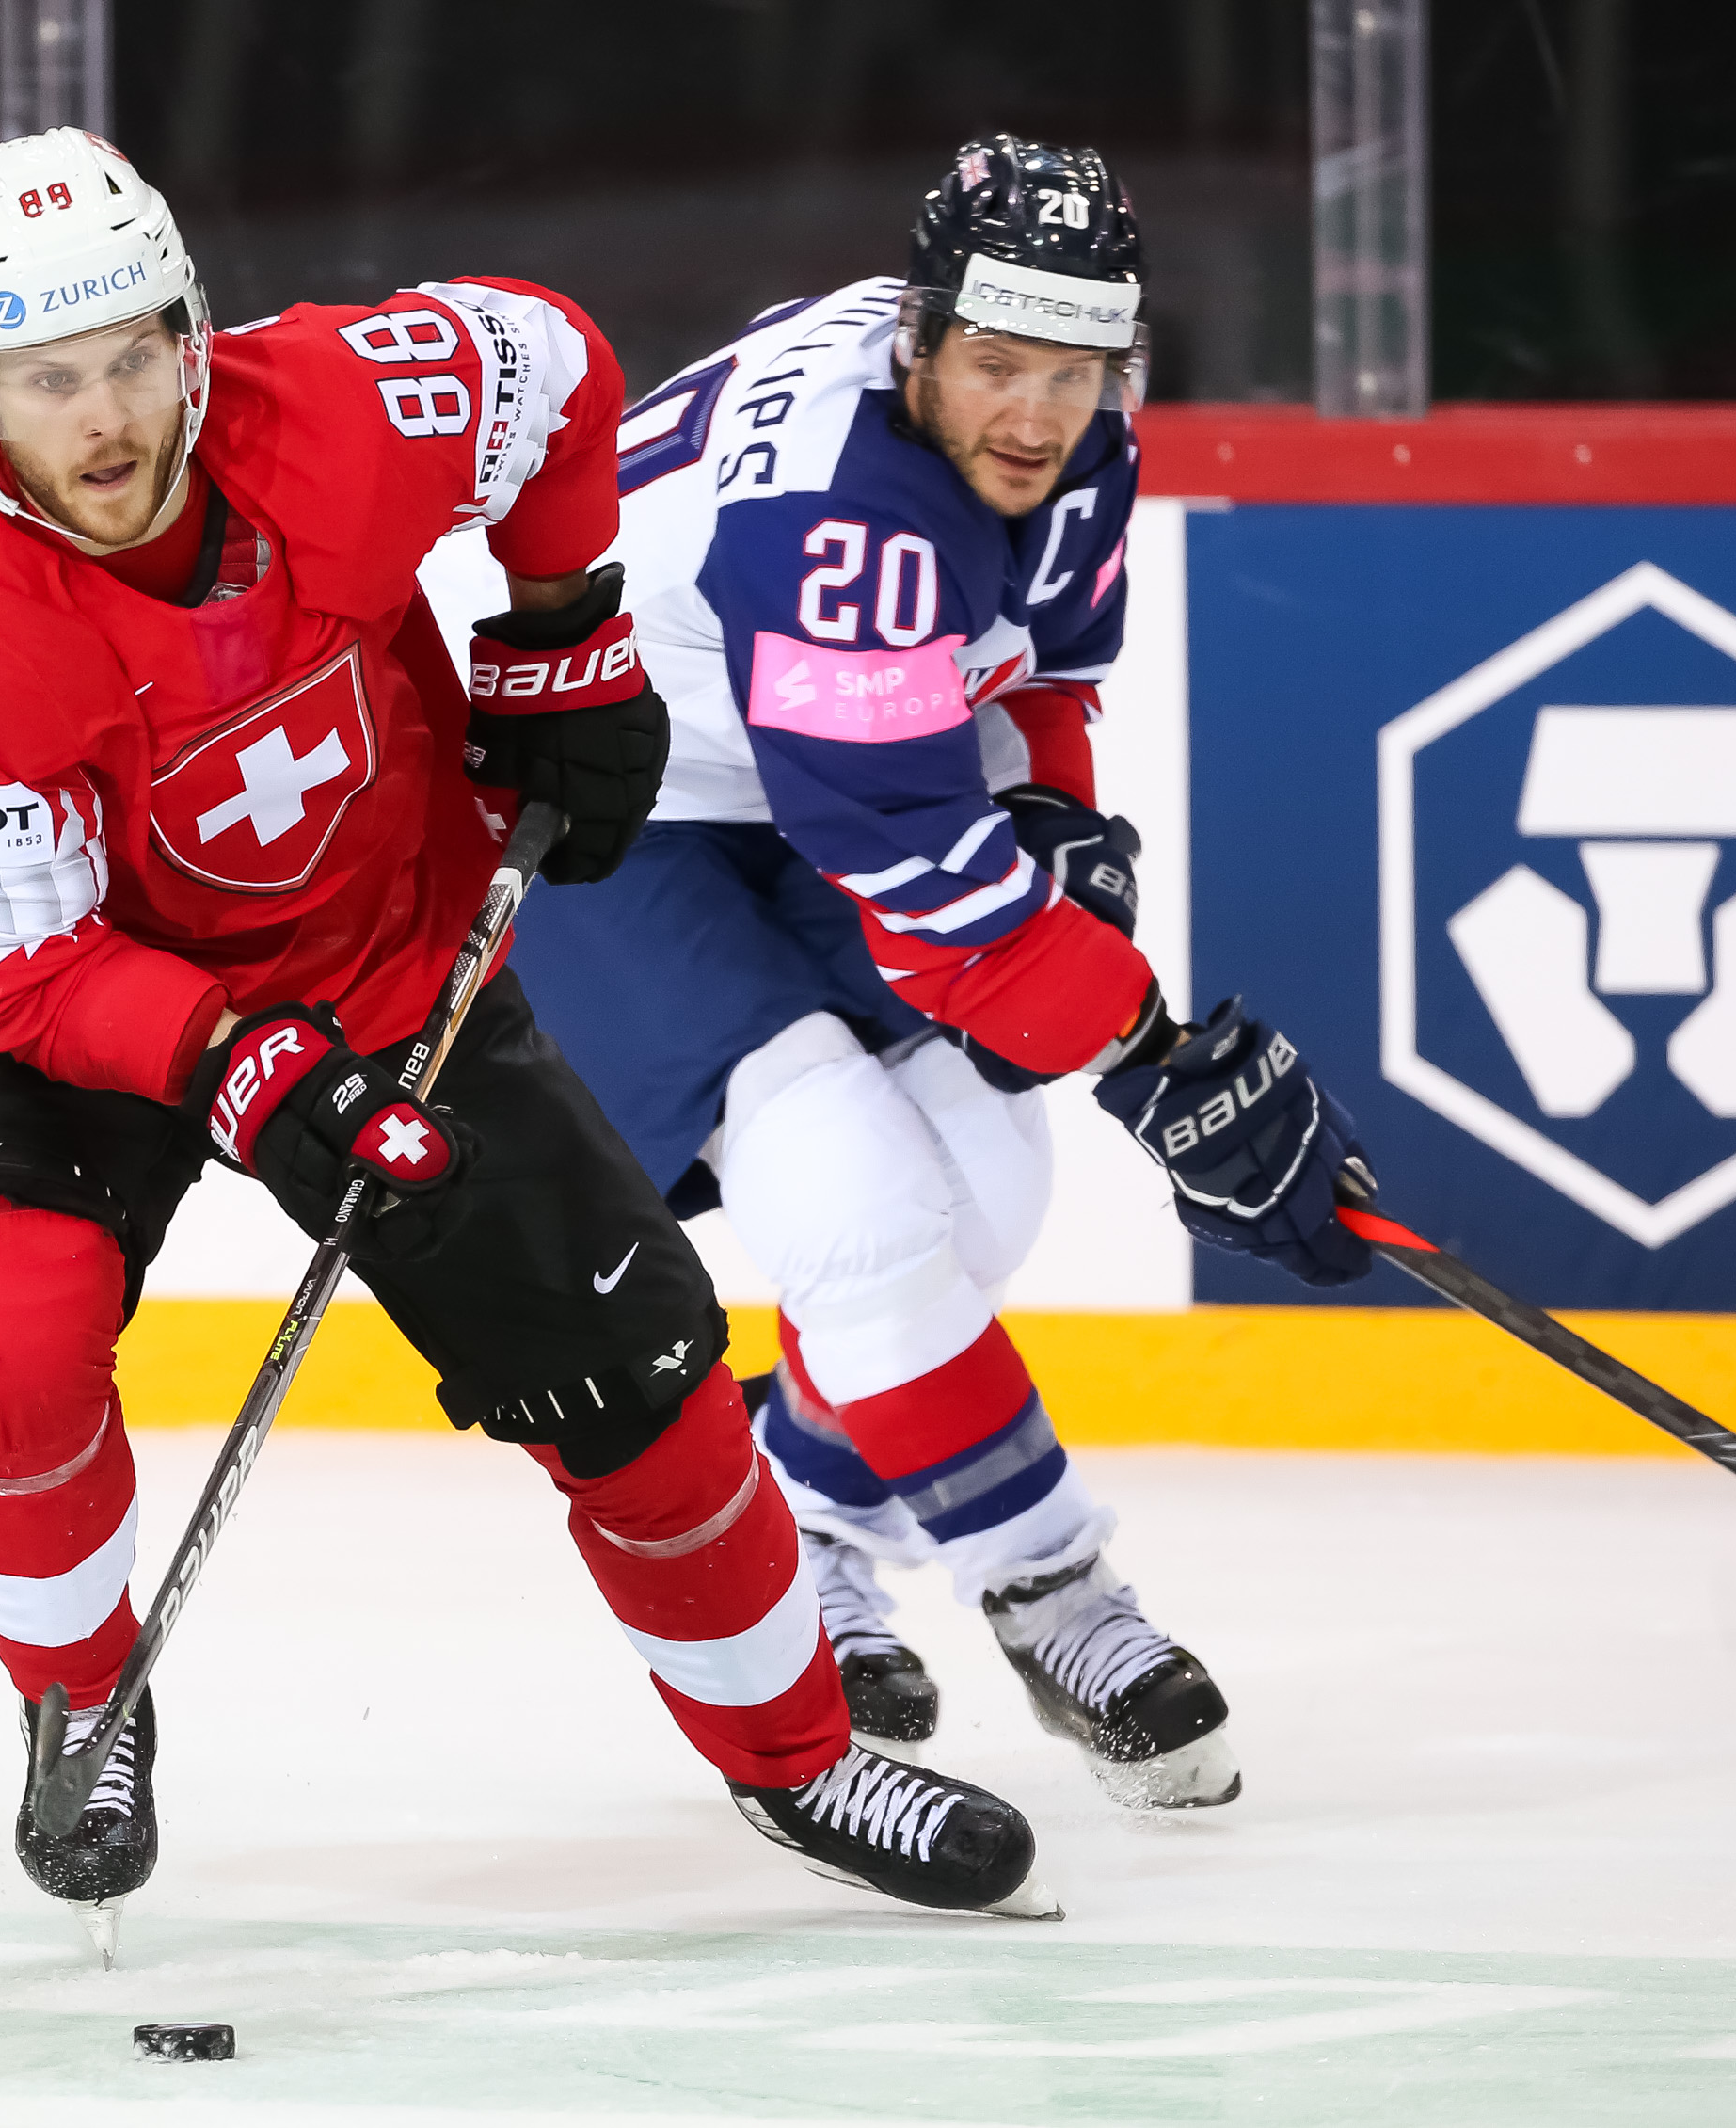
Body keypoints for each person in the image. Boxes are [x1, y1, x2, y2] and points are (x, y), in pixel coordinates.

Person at [0, 128, 1062, 1955]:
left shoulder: (342, 402)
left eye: (131, 358)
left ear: (189, 330)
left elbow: (559, 369)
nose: (102, 420)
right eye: (43, 379)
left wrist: (564, 637)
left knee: (641, 1371)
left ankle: (799, 1757)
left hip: (388, 955)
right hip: (77, 1009)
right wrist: (239, 1065)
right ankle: (82, 1696)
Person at [506, 135, 1374, 1812]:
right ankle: (1059, 1596)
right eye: (996, 364)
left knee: (984, 1174)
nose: (1035, 414)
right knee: (846, 1196)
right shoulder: (841, 517)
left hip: (808, 768)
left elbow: (1035, 676)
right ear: (918, 335)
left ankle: (804, 1519)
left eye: (1075, 370)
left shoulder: (1073, 430)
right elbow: (920, 882)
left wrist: (1055, 816)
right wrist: (1155, 1057)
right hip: (604, 798)